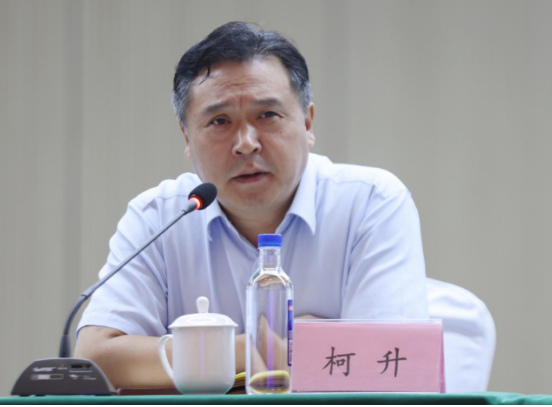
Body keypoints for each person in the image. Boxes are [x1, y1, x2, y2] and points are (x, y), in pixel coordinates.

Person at [75, 21, 428, 389]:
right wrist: (273, 346)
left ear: (307, 123)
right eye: (220, 121)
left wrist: (192, 363)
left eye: (267, 115)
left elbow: (392, 363)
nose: (246, 143)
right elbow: (97, 357)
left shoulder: (371, 202)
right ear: (187, 137)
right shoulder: (158, 217)